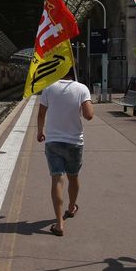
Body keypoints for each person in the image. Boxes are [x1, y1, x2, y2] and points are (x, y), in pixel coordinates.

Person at [37, 67, 94, 236]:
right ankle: (70, 208)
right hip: (74, 142)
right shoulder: (82, 88)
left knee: (57, 180)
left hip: (53, 141)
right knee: (73, 176)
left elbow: (41, 114)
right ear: (73, 71)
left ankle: (59, 223)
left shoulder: (48, 88)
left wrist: (40, 132)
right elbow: (89, 115)